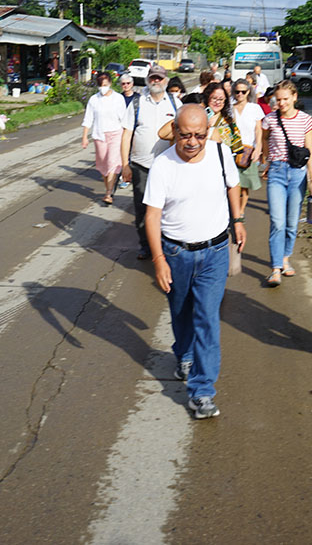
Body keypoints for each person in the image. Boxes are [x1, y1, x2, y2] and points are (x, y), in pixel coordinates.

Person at [144, 104, 245, 419]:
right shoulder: (163, 164)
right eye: (185, 135)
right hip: (176, 254)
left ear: (207, 132)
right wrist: (159, 259)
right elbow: (152, 215)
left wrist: (238, 219)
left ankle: (202, 392)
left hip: (215, 252)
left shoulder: (219, 153)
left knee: (207, 318)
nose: (192, 142)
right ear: (174, 131)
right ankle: (184, 352)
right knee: (180, 313)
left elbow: (233, 184)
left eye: (199, 135)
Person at [121, 64, 183, 260]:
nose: (156, 81)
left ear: (166, 80)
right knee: (142, 207)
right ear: (148, 80)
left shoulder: (174, 103)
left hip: (170, 166)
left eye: (160, 78)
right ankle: (146, 245)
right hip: (141, 165)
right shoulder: (137, 103)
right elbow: (126, 134)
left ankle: (166, 244)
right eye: (153, 78)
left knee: (168, 207)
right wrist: (125, 164)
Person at [261, 80, 312, 286]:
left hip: (298, 174)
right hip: (276, 171)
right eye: (279, 99)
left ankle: (286, 258)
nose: (282, 103)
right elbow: (265, 139)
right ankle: (275, 268)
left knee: (292, 223)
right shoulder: (269, 119)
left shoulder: (305, 120)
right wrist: (267, 159)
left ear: (294, 97)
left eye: (286, 98)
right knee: (277, 221)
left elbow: (309, 151)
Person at [81, 71, 127, 205]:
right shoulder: (94, 100)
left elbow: (124, 119)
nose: (103, 88)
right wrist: (85, 137)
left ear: (110, 84)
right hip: (99, 135)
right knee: (103, 164)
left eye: (105, 85)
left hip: (115, 134)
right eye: (101, 86)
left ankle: (108, 193)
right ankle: (108, 186)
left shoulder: (118, 98)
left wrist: (126, 138)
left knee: (112, 162)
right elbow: (88, 119)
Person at [231, 78, 264, 215]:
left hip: (248, 150)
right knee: (233, 184)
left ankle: (241, 211)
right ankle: (233, 210)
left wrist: (258, 149)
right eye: (237, 91)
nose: (240, 94)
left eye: (243, 92)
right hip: (231, 151)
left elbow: (258, 129)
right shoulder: (230, 108)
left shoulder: (254, 108)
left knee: (244, 184)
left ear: (248, 92)